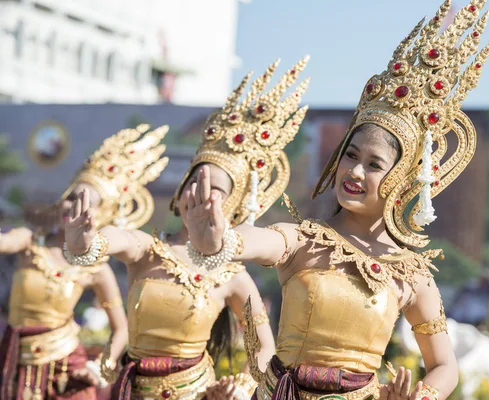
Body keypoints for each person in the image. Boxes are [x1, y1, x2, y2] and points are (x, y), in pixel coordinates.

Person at [183, 1, 489, 399]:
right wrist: (220, 242)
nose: (355, 172)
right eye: (350, 155)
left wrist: (423, 395)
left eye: (374, 164)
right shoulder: (302, 240)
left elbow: (444, 365)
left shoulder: (411, 275)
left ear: (405, 179)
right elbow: (255, 239)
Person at [63, 57, 310, 400]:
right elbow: (119, 240)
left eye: (215, 192)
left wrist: (240, 387)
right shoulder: (148, 249)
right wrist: (86, 243)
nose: (200, 193)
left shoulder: (232, 275)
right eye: (195, 181)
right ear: (180, 191)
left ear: (232, 208)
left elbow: (262, 348)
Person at [0, 124, 169, 400]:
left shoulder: (95, 268)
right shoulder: (29, 241)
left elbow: (121, 328)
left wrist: (98, 367)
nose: (74, 208)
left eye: (88, 205)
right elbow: (4, 242)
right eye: (72, 198)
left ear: (99, 217)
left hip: (66, 370)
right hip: (13, 362)